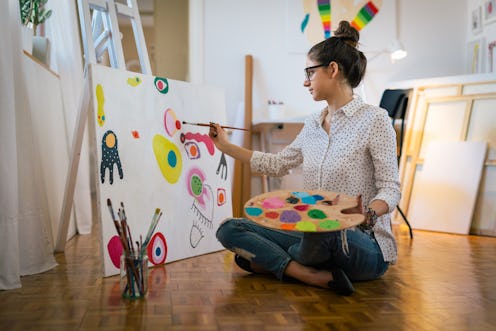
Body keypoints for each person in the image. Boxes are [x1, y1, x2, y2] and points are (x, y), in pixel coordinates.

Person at [208, 21, 400, 296]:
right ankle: (306, 273)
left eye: (310, 72)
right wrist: (225, 146)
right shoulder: (312, 125)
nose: (305, 81)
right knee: (230, 228)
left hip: (362, 243)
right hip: (311, 233)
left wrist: (368, 213)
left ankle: (271, 261)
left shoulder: (375, 120)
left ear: (332, 69)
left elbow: (391, 189)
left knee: (326, 229)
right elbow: (277, 164)